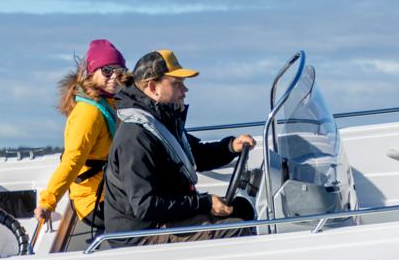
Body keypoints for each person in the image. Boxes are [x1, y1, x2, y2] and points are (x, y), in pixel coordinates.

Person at [102, 50, 257, 246]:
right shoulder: (135, 137)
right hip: (141, 233)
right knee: (235, 231)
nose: (185, 90)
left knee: (242, 208)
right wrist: (205, 204)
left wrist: (230, 147)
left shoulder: (160, 123)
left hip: (162, 220)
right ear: (153, 87)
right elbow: (144, 206)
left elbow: (195, 156)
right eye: (177, 84)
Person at [34, 39, 128, 234]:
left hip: (114, 191)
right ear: (92, 74)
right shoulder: (89, 113)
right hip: (95, 201)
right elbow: (73, 160)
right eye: (107, 71)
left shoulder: (111, 103)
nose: (114, 77)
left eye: (119, 72)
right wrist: (48, 202)